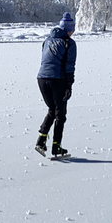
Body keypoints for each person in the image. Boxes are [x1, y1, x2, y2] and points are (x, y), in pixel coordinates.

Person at [35, 11, 77, 158]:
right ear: (68, 29)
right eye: (72, 29)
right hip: (57, 79)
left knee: (52, 110)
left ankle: (41, 141)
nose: (73, 31)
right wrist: (69, 85)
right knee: (60, 114)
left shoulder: (47, 40)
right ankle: (56, 147)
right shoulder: (69, 43)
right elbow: (69, 66)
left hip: (41, 79)